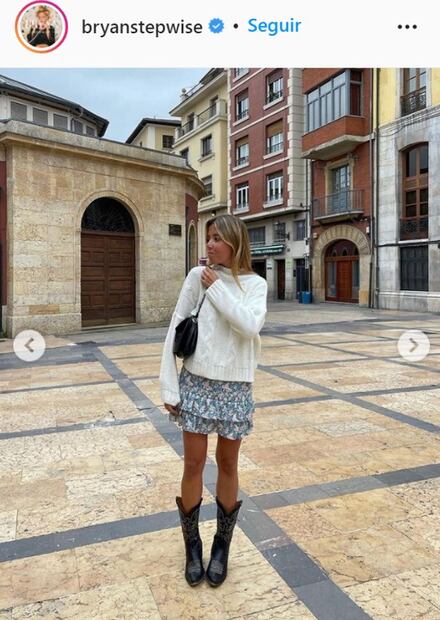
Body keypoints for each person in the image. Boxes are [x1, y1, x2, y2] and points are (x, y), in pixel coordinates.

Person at [159, 214, 268, 587]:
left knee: (227, 463)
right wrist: (169, 386)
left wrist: (218, 289)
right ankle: (193, 547)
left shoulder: (256, 285)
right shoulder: (197, 276)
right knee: (193, 464)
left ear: (235, 242)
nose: (209, 244)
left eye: (217, 238)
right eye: (208, 237)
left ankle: (222, 547)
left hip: (235, 386)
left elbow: (249, 326)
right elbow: (176, 325)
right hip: (196, 381)